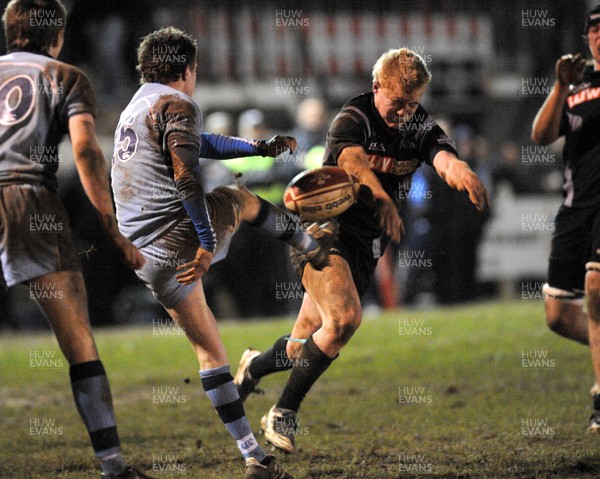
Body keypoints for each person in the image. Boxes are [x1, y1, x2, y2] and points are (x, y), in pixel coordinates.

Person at [234, 47, 490, 453]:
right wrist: (382, 199)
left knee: (304, 346)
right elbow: (352, 161)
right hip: (322, 232)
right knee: (345, 320)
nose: (404, 111)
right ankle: (284, 411)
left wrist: (463, 172)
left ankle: (255, 365)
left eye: (413, 103)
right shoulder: (353, 118)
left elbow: (442, 157)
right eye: (396, 101)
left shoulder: (419, 124)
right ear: (376, 88)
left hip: (367, 244)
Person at [111, 27, 334, 479]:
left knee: (211, 353)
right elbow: (187, 177)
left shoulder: (136, 106)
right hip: (177, 236)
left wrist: (255, 147)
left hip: (144, 254)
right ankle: (311, 245)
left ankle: (255, 458)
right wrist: (207, 242)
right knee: (241, 198)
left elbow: (201, 145)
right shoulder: (175, 103)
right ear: (186, 69)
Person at [0, 1, 151, 477]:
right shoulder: (66, 76)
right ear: (58, 35)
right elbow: (85, 149)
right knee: (77, 339)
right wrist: (114, 227)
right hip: (27, 200)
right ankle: (112, 466)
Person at [531, 4, 600, 433]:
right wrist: (559, 86)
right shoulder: (578, 85)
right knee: (558, 315)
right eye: (595, 31)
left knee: (596, 288)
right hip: (576, 207)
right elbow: (540, 136)